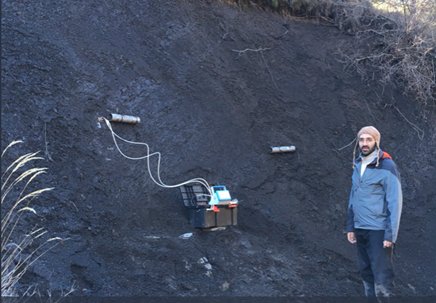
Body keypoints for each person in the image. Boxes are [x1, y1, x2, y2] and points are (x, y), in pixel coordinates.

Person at [345, 126, 403, 297]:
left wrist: (390, 235)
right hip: (360, 227)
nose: (364, 143)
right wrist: (350, 226)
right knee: (366, 274)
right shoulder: (357, 164)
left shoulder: (387, 165)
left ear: (376, 141)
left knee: (382, 277)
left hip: (378, 230)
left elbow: (395, 201)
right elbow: (353, 196)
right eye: (361, 140)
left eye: (368, 139)